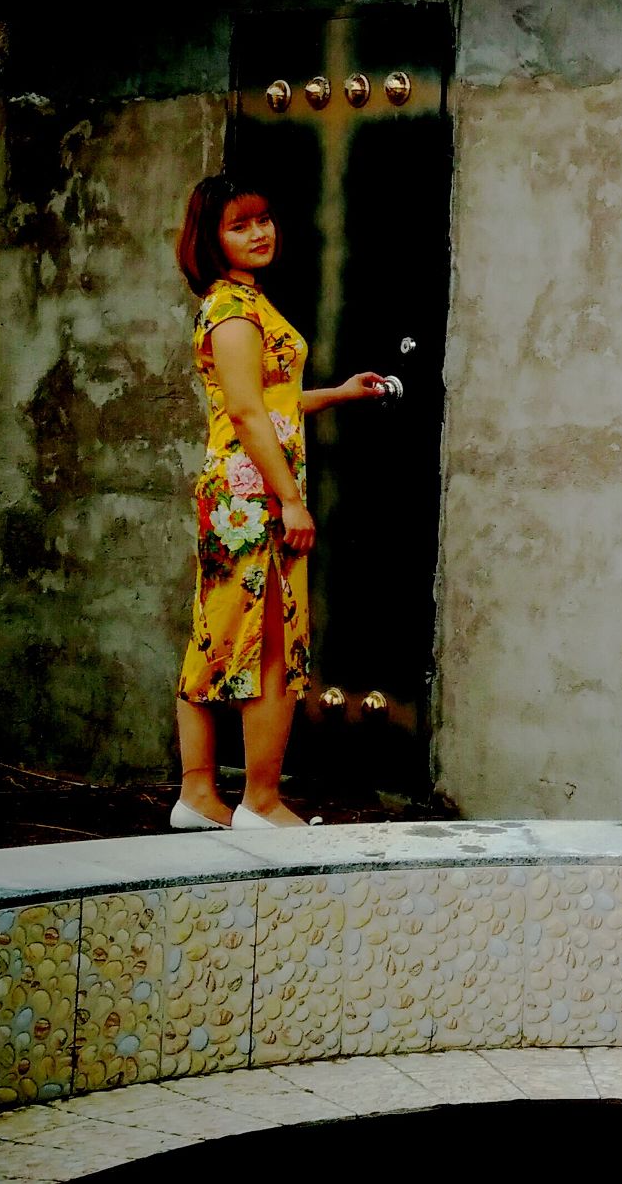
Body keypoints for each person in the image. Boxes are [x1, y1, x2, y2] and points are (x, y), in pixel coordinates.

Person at [170, 171, 388, 830]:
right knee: (269, 644)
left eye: (262, 219)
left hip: (236, 491)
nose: (258, 233)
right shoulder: (234, 311)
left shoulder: (238, 302)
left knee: (217, 635)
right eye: (239, 225)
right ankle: (260, 802)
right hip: (254, 494)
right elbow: (244, 411)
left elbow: (268, 401)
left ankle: (197, 797)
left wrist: (338, 394)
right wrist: (290, 499)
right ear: (210, 239)